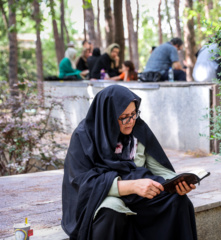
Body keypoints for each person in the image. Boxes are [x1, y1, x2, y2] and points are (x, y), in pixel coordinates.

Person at [61, 85, 197, 240]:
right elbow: (83, 182)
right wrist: (132, 186)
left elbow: (159, 169)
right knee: (112, 211)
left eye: (134, 114)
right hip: (102, 195)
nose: (131, 121)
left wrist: (177, 183)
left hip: (138, 194)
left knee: (178, 201)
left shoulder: (138, 129)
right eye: (124, 117)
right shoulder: (84, 136)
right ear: (108, 116)